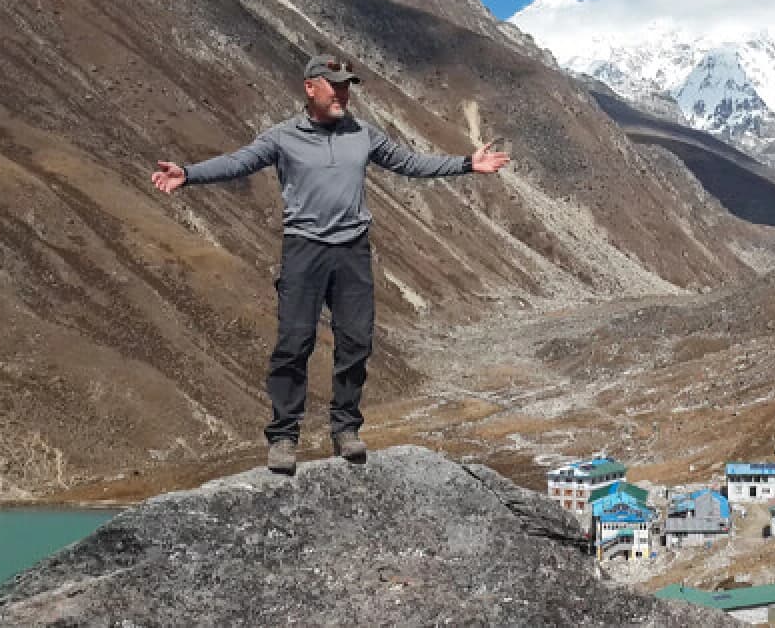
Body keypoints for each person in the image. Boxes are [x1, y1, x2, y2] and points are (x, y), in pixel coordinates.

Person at [151, 54, 509, 474]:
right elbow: (239, 161)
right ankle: (284, 437)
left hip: (352, 251)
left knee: (356, 342)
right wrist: (188, 174)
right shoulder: (283, 137)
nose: (343, 93)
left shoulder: (363, 134)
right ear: (311, 87)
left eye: (347, 86)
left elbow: (408, 163)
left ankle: (345, 430)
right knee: (293, 343)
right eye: (335, 85)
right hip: (304, 250)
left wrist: (466, 163)